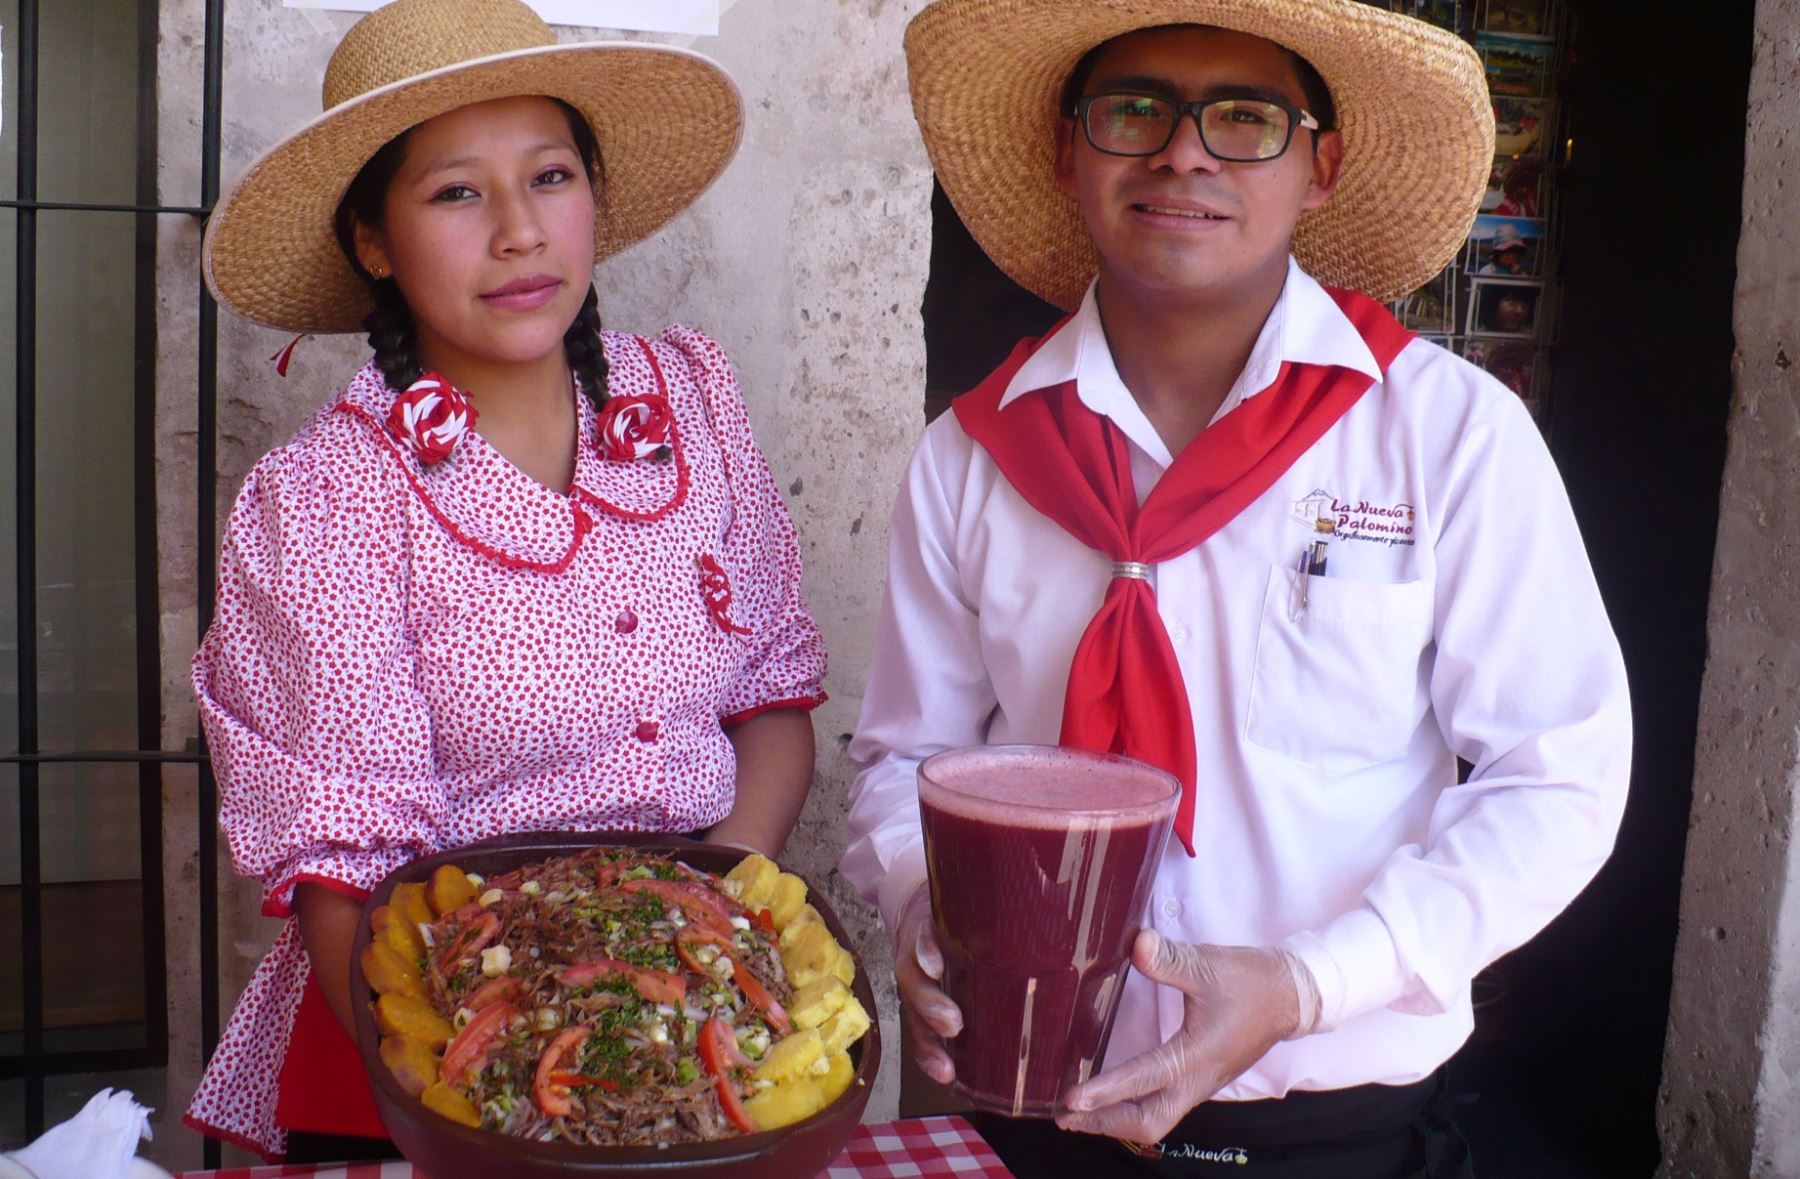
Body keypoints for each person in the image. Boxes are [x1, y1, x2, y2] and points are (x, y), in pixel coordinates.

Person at [842, 2, 1629, 1176]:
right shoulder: (974, 456)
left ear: (1324, 167)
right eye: (1134, 109)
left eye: (1248, 118)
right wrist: (923, 901)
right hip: (1027, 1118)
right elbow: (908, 763)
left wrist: (1312, 982)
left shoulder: (1446, 436)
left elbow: (1555, 775)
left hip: (1337, 1125)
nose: (1184, 152)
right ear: (1070, 153)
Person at [185, 0, 825, 1161]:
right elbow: (347, 864)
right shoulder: (329, 501)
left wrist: (710, 927)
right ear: (374, 241)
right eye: (456, 193)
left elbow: (772, 693)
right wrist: (473, 1094)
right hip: (423, 1031)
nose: (522, 231)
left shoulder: (687, 405)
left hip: (707, 1001)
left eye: (550, 175)